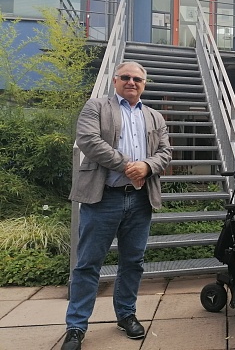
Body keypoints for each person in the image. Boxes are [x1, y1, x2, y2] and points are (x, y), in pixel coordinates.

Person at [61, 61, 172, 350]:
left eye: (138, 79)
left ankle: (126, 314)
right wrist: (126, 165)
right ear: (115, 80)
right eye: (126, 77)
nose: (132, 82)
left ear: (144, 84)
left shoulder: (154, 116)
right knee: (87, 264)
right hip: (103, 198)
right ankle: (76, 326)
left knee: (133, 262)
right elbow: (88, 140)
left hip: (139, 199)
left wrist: (147, 166)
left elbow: (165, 152)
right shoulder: (96, 107)